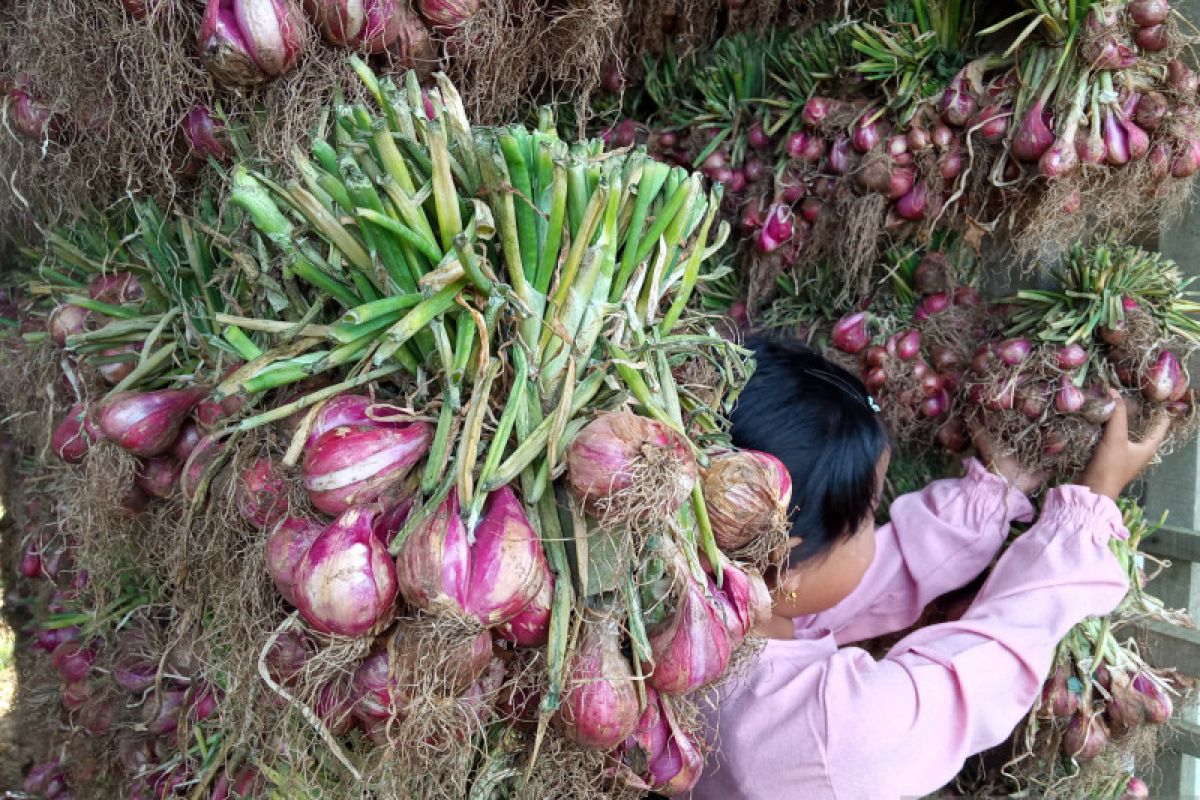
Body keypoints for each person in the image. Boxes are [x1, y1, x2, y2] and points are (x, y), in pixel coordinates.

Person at [691, 336, 1172, 799]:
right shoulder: (830, 734)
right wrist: (1084, 517)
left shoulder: (711, 617)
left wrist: (993, 495)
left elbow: (873, 577)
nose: (873, 532)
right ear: (781, 564)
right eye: (866, 519)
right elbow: (981, 674)